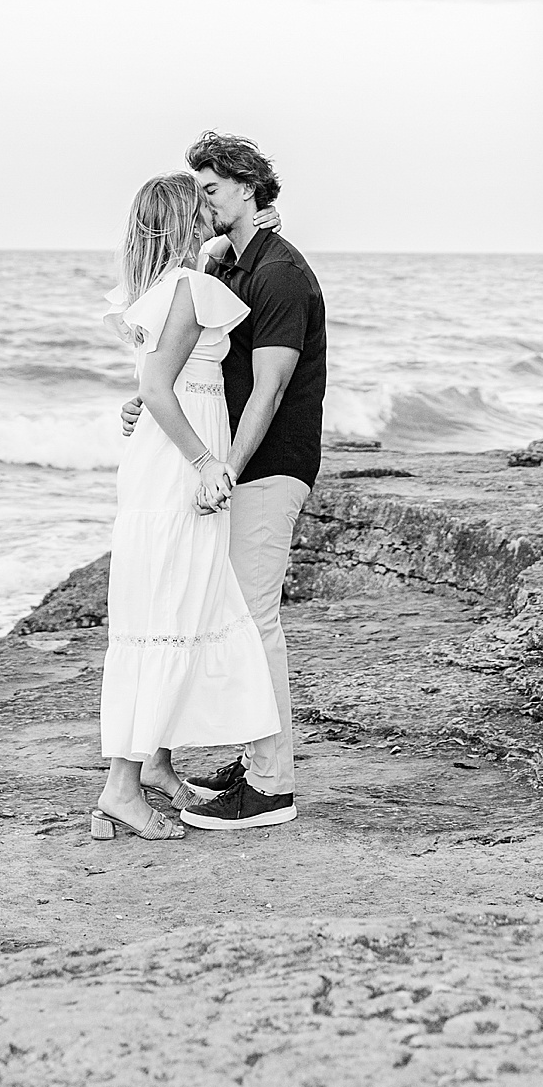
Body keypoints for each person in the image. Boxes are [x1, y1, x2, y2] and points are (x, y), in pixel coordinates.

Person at [125, 132, 328, 833]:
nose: (200, 201)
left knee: (252, 618)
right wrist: (150, 401)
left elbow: (269, 389)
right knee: (223, 615)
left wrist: (225, 470)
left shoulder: (277, 273)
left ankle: (271, 787)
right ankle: (248, 764)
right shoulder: (230, 263)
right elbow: (195, 358)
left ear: (248, 189)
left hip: (269, 464)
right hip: (239, 464)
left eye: (210, 189)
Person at [92, 172, 280, 843]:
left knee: (174, 605)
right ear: (182, 219)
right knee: (169, 608)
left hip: (165, 452)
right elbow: (158, 384)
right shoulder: (186, 289)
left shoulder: (174, 283)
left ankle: (158, 767)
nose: (212, 210)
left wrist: (145, 406)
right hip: (181, 465)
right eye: (201, 203)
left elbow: (156, 385)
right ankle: (120, 787)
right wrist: (207, 464)